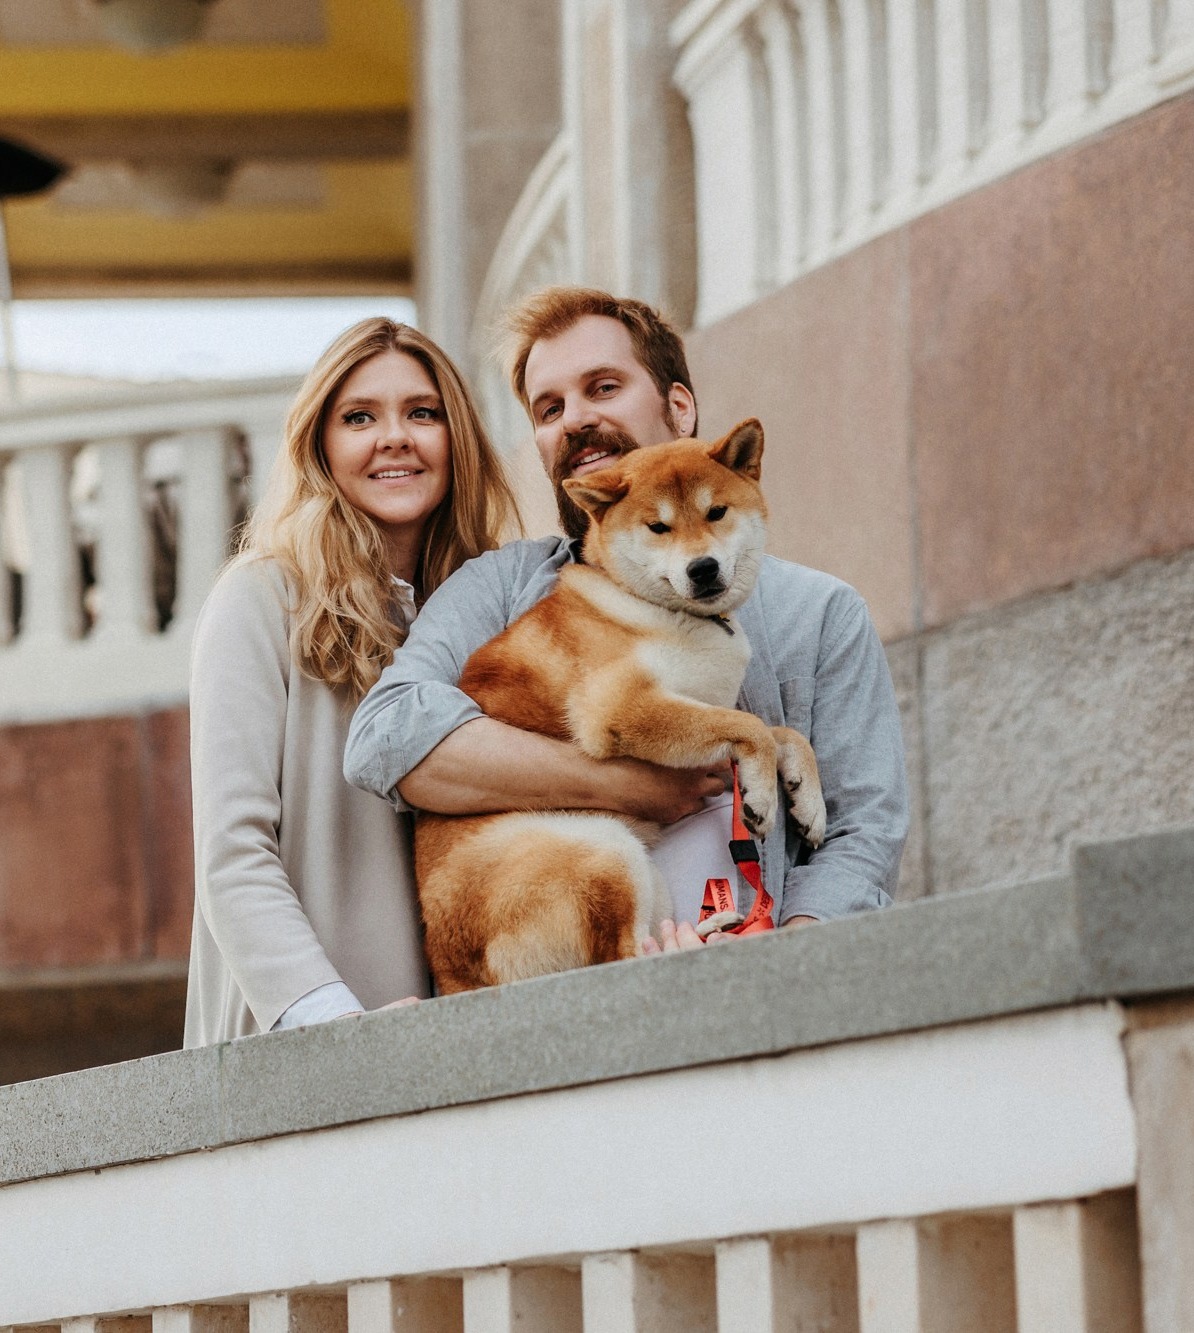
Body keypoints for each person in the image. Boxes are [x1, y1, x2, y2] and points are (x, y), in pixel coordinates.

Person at [344, 287, 907, 950]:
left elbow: (863, 829)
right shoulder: (498, 589)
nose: (576, 419)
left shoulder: (819, 614)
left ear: (680, 406)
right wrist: (629, 786)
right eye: (549, 408)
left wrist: (780, 956)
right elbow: (383, 739)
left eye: (603, 387)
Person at [183, 318, 519, 1046]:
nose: (394, 436)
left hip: (463, 1045)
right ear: (321, 445)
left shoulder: (488, 613)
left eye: (421, 413)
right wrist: (339, 1025)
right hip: (301, 1046)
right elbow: (234, 853)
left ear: (457, 438)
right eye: (359, 416)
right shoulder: (262, 598)